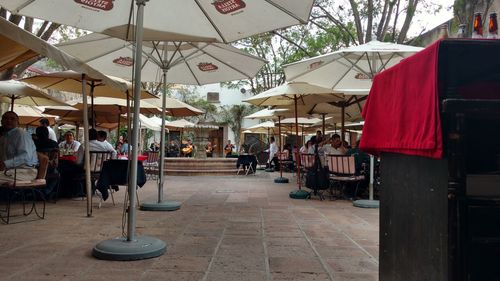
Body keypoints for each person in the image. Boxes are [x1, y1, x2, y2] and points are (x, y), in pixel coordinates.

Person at [0, 111, 39, 184]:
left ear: (18, 122)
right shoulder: (4, 137)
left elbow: (25, 157)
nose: (8, 120)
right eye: (5, 118)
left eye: (12, 119)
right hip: (11, 170)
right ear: (1, 122)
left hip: (26, 171)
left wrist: (5, 164)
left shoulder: (21, 134)